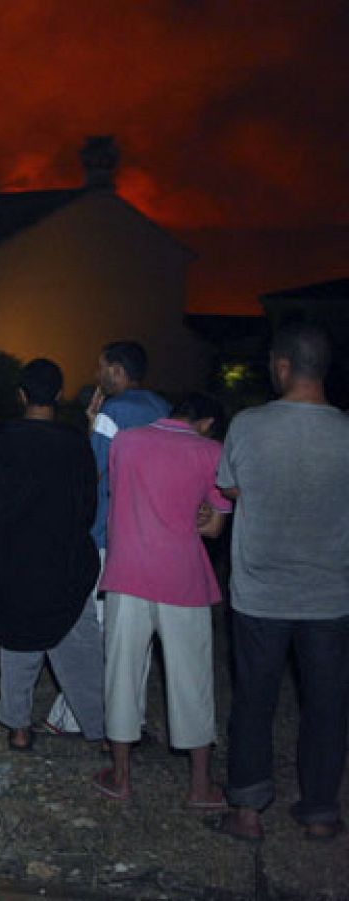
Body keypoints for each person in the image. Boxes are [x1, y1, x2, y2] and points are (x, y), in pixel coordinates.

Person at [215, 322, 349, 843]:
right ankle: (320, 811)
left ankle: (247, 810)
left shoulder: (248, 425)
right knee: (327, 703)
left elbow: (230, 486)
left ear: (285, 365)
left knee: (254, 698)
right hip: (331, 595)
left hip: (260, 594)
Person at [91, 394, 230, 806]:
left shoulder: (127, 442)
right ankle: (200, 786)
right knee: (192, 679)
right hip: (182, 578)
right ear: (205, 421)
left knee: (122, 674)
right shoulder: (211, 451)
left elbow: (117, 494)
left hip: (127, 572)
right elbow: (214, 528)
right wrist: (200, 511)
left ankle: (121, 777)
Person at [45, 339, 169, 735]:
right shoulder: (163, 410)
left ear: (117, 371)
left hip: (105, 533)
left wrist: (92, 423)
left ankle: (84, 717)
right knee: (137, 632)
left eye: (102, 368)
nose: (97, 376)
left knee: (94, 628)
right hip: (151, 535)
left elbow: (91, 472)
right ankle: (128, 715)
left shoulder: (113, 412)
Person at [0, 359, 104, 752]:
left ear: (21, 395)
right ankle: (102, 732)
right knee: (78, 646)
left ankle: (18, 728)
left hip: (15, 558)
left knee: (17, 643)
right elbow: (88, 505)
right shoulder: (74, 443)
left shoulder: (4, 439)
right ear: (58, 394)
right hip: (62, 558)